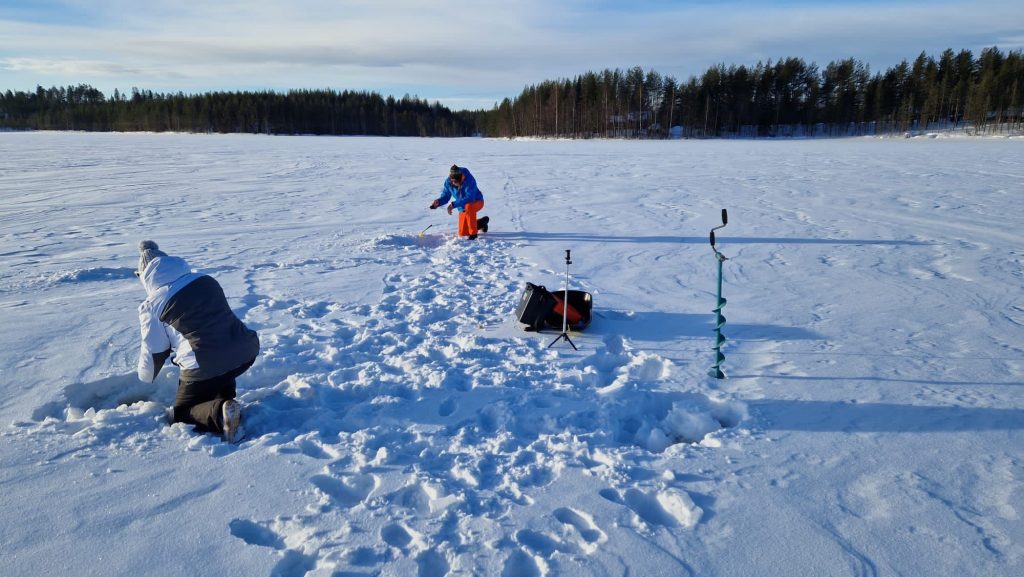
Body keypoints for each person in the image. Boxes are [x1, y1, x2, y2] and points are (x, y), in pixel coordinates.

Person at [134, 241, 260, 443]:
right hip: (246, 350)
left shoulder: (152, 305)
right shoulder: (205, 280)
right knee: (219, 361)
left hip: (204, 363)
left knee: (182, 414)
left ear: (144, 275)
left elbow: (155, 351)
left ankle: (220, 413)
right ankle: (225, 398)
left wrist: (145, 377)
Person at [430, 164, 489, 239]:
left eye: (456, 181)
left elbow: (470, 198)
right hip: (462, 207)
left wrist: (454, 204)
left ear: (461, 178)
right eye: (452, 181)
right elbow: (446, 196)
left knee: (469, 206)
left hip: (476, 202)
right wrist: (439, 202)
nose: (454, 183)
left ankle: (473, 234)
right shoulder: (448, 182)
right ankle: (480, 223)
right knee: (463, 233)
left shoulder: (469, 180)